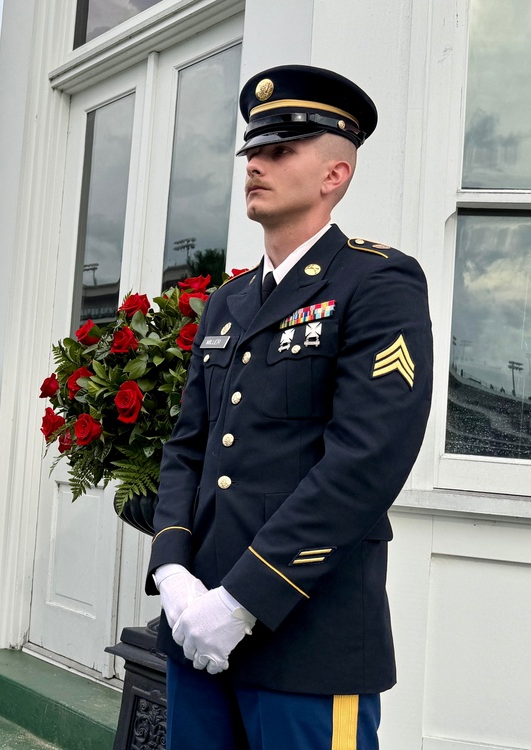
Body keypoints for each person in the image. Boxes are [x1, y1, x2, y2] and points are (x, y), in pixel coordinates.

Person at [148, 65, 433, 748]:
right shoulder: (229, 300)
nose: (257, 164)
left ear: (335, 174)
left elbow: (364, 462)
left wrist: (242, 600)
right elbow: (189, 445)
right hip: (199, 632)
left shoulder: (376, 280)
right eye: (253, 151)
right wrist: (173, 569)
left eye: (281, 151)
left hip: (307, 635)